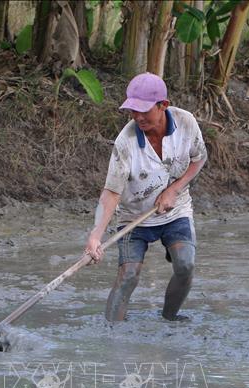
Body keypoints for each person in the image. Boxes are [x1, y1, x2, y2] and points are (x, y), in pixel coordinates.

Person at [85, 72, 208, 322]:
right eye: (133, 111)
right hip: (134, 217)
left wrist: (174, 189)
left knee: (185, 265)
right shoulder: (125, 142)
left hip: (175, 211)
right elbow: (111, 193)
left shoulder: (186, 123)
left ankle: (170, 318)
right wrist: (95, 236)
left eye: (144, 110)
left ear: (163, 105)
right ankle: (111, 333)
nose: (138, 117)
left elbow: (199, 158)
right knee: (128, 275)